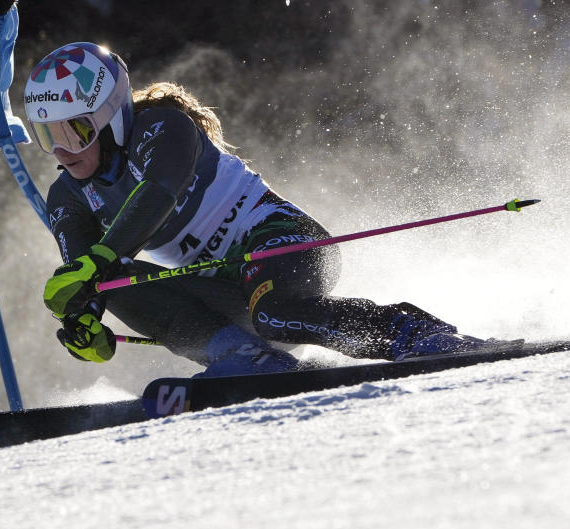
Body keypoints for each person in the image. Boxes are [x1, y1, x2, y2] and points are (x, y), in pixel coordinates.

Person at [24, 42, 486, 376]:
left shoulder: (163, 128)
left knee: (274, 313)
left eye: (75, 132)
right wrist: (82, 321)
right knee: (110, 278)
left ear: (112, 116)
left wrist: (100, 261)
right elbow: (85, 276)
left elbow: (158, 193)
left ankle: (411, 333)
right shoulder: (67, 197)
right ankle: (244, 359)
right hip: (225, 291)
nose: (62, 151)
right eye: (48, 136)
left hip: (283, 242)